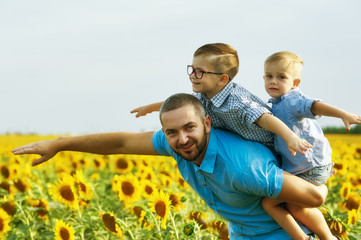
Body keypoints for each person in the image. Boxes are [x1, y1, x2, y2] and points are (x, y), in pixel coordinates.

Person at [12, 93, 329, 239]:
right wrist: (59, 144)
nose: (182, 140)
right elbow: (120, 144)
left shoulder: (244, 168)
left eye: (189, 128)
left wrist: (322, 181)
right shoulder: (175, 145)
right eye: (172, 132)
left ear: (207, 122)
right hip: (242, 232)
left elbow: (314, 198)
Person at [131, 43, 311, 157]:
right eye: (192, 69)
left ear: (222, 79)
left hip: (275, 148)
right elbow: (182, 105)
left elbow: (266, 118)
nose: (193, 76)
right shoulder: (205, 95)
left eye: (200, 71)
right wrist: (150, 108)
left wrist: (290, 137)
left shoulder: (236, 101)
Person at [261, 51, 361, 240]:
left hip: (309, 168)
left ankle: (309, 238)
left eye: (281, 77)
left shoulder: (292, 100)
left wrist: (343, 114)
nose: (273, 81)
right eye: (269, 76)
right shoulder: (277, 103)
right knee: (295, 206)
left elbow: (314, 105)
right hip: (307, 167)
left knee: (270, 204)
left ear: (295, 83)